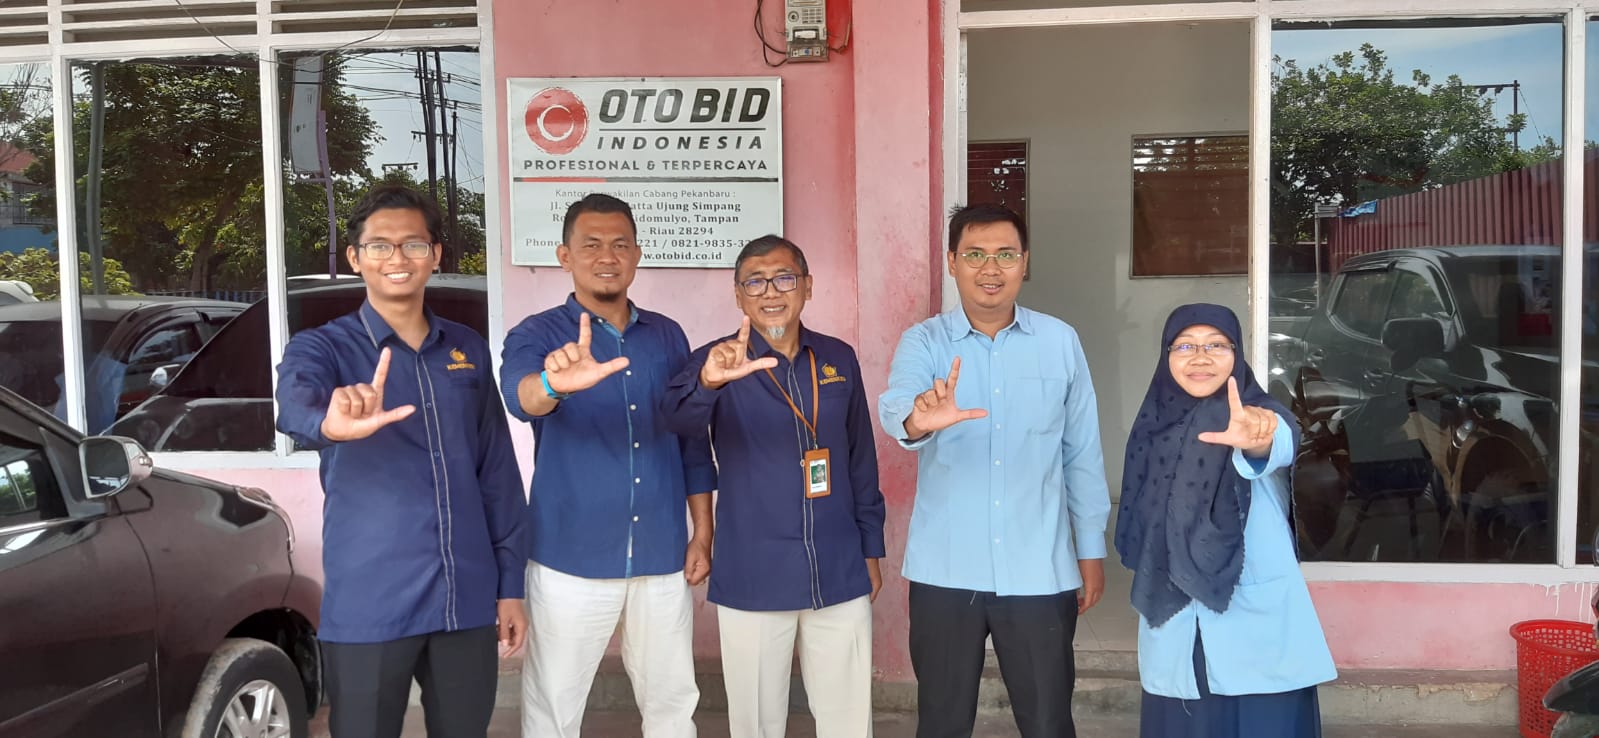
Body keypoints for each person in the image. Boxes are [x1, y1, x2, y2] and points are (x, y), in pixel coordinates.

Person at [275, 185, 527, 738]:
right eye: (380, 245)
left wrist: (511, 584)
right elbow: (294, 404)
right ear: (355, 257)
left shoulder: (467, 348)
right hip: (372, 599)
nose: (397, 258)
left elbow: (497, 473)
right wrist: (328, 423)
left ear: (435, 254)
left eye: (413, 244)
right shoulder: (323, 348)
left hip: (464, 596)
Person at [877, 203, 1111, 738]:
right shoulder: (925, 341)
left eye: (1005, 255)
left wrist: (1090, 550)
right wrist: (918, 417)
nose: (990, 268)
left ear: (1024, 262)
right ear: (952, 262)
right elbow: (897, 403)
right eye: (975, 254)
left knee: (1049, 722)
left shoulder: (1060, 341)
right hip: (945, 570)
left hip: (1039, 568)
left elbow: (1081, 452)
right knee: (942, 722)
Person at [499, 193, 714, 738]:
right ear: (564, 256)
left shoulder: (667, 336)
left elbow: (690, 437)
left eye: (620, 245)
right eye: (591, 245)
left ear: (637, 255)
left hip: (661, 555)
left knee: (672, 705)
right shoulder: (536, 334)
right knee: (553, 709)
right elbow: (521, 398)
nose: (607, 256)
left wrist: (702, 532)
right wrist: (553, 384)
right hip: (570, 558)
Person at [664, 235, 884, 738]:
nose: (770, 292)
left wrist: (871, 548)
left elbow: (860, 459)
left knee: (849, 719)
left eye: (784, 278)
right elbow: (676, 423)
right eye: (755, 282)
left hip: (838, 565)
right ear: (737, 295)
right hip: (753, 570)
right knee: (756, 722)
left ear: (807, 286)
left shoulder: (837, 358)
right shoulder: (716, 360)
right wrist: (709, 384)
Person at [1115, 303, 1336, 738]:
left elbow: (1278, 438)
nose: (1201, 357)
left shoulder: (1256, 411)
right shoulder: (1151, 428)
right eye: (1185, 346)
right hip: (1175, 613)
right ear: (1166, 355)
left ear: (1237, 354)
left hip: (1251, 621)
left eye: (1217, 345)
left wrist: (1257, 437)